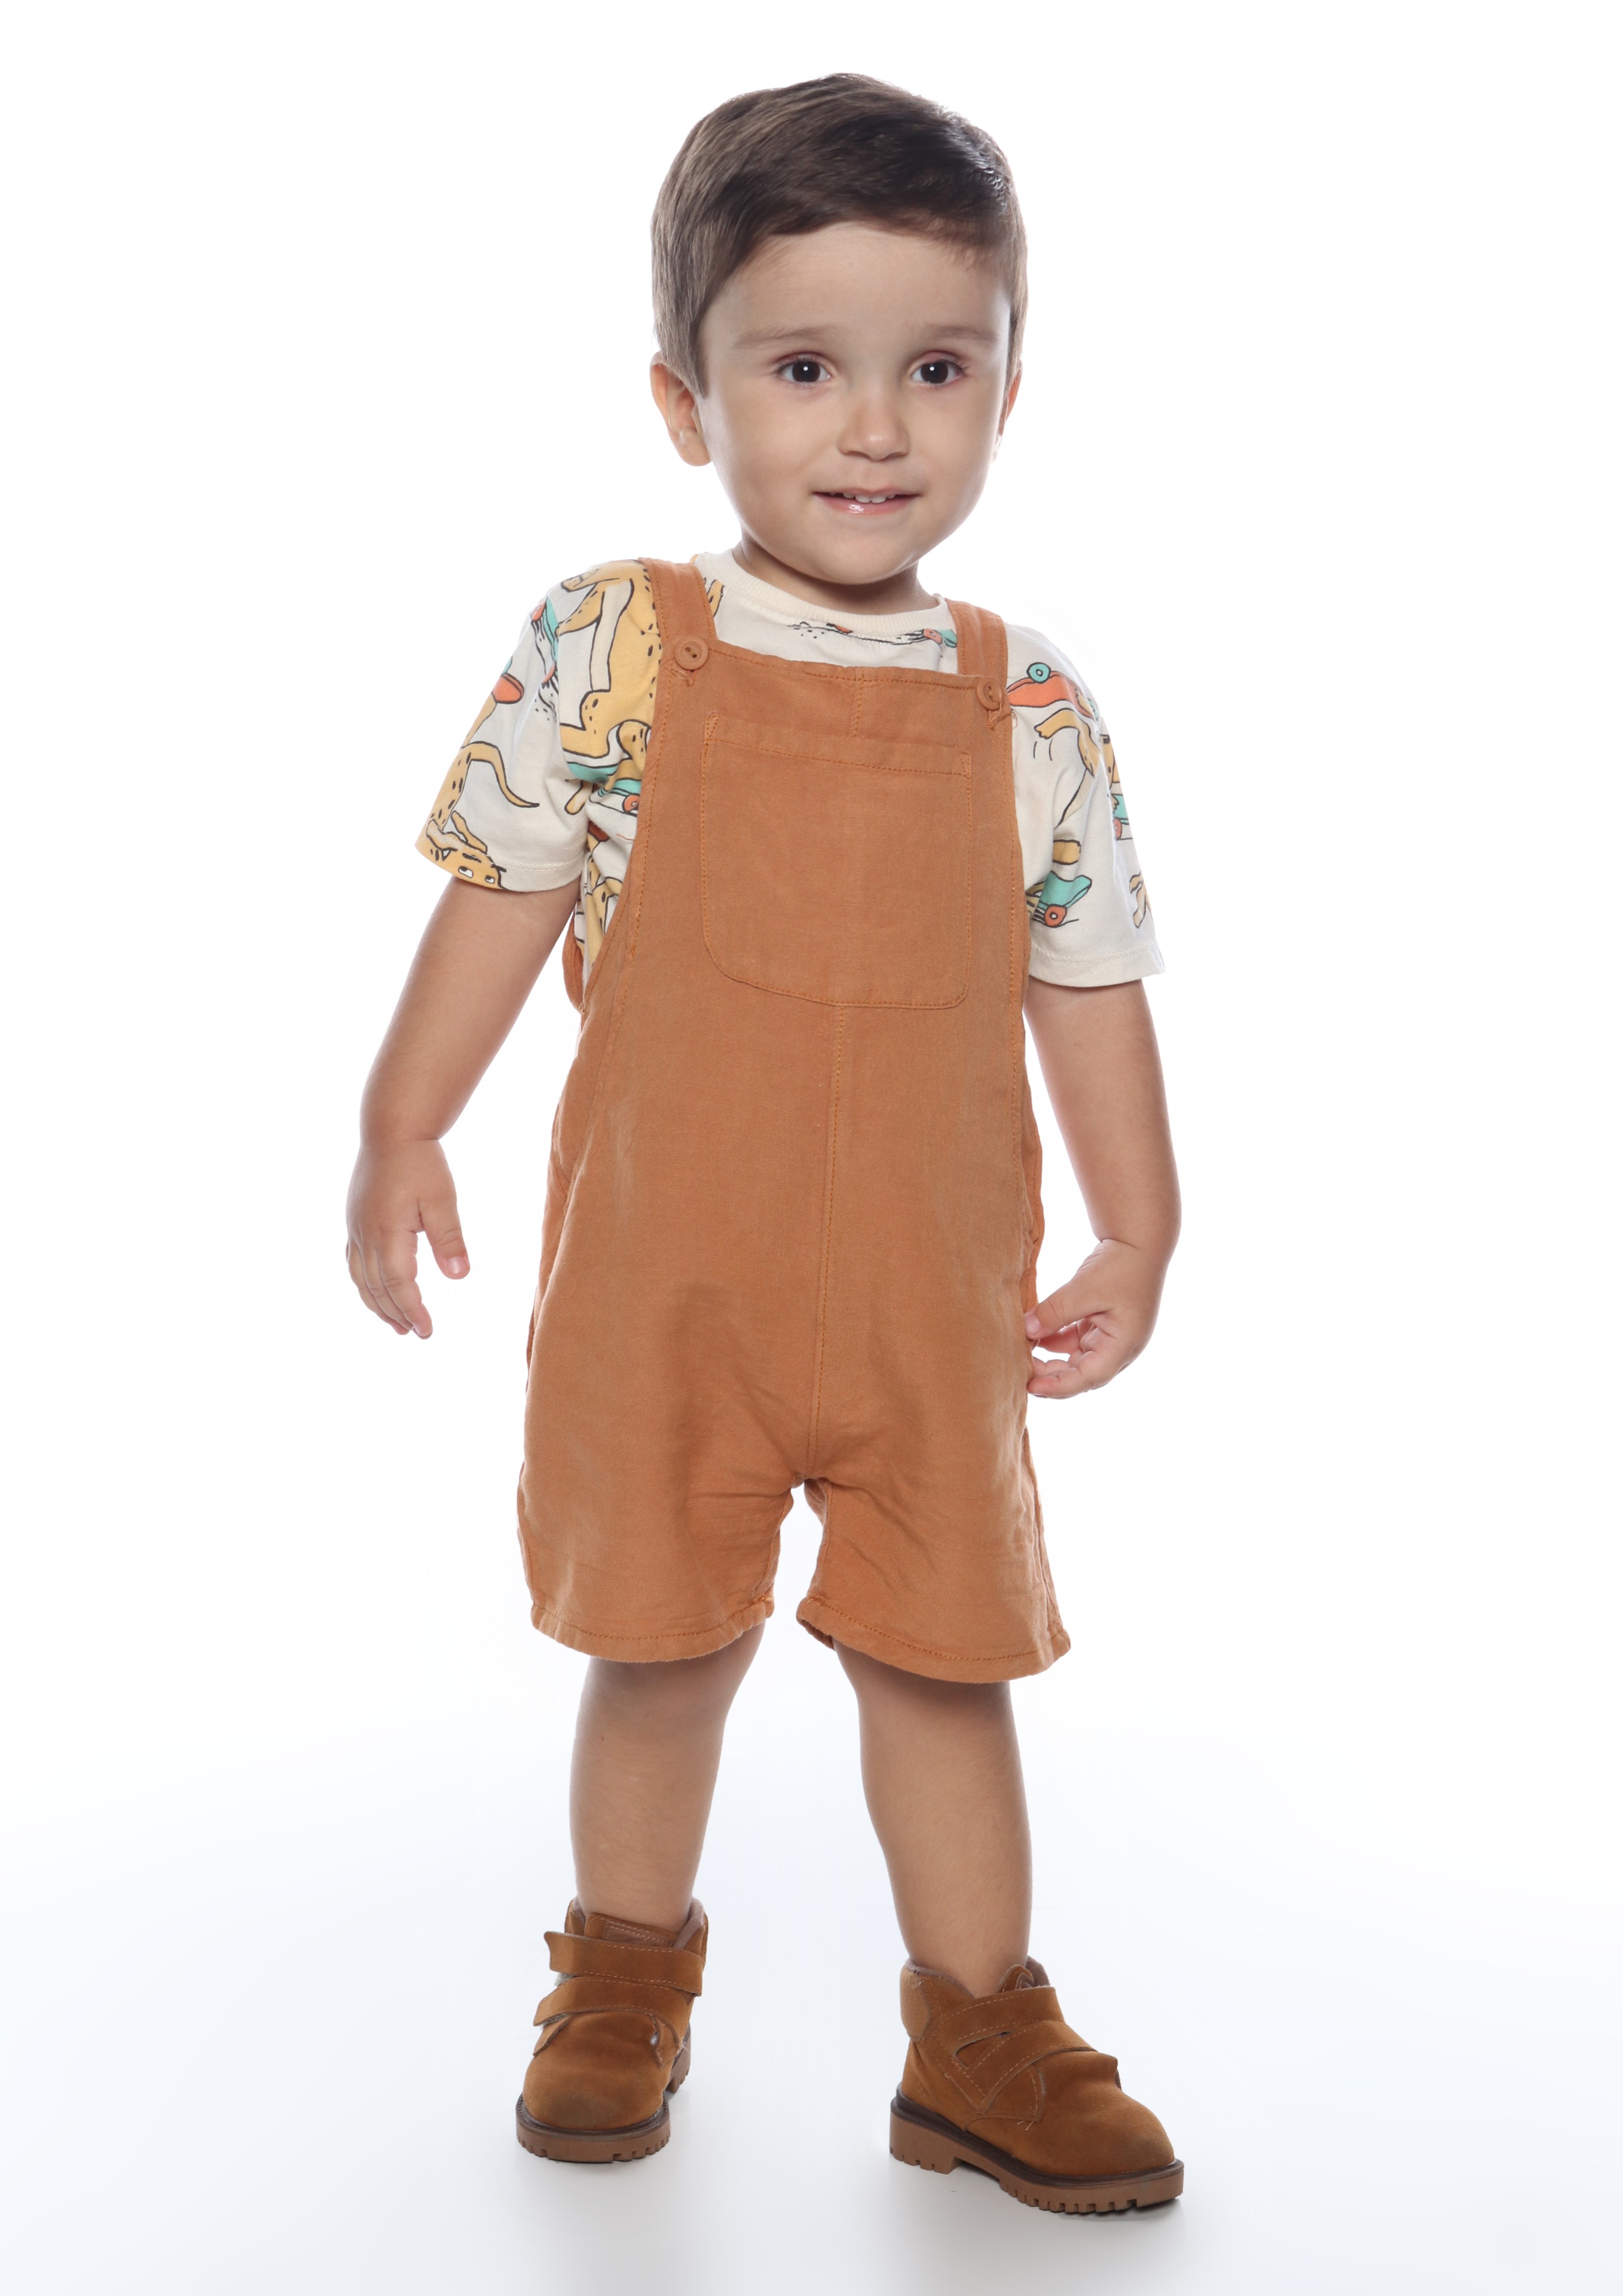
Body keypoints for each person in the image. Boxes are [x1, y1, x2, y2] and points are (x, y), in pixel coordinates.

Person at [346, 74, 1184, 2216]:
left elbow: (1088, 981)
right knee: (658, 1649)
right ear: (682, 396)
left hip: (927, 1313)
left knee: (946, 1664)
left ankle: (979, 2031)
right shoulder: (615, 644)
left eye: (937, 369)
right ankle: (620, 1977)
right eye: (803, 368)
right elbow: (500, 897)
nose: (874, 426)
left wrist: (1138, 1225)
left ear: (1007, 389)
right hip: (669, 1293)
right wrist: (400, 1122)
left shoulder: (1026, 705)